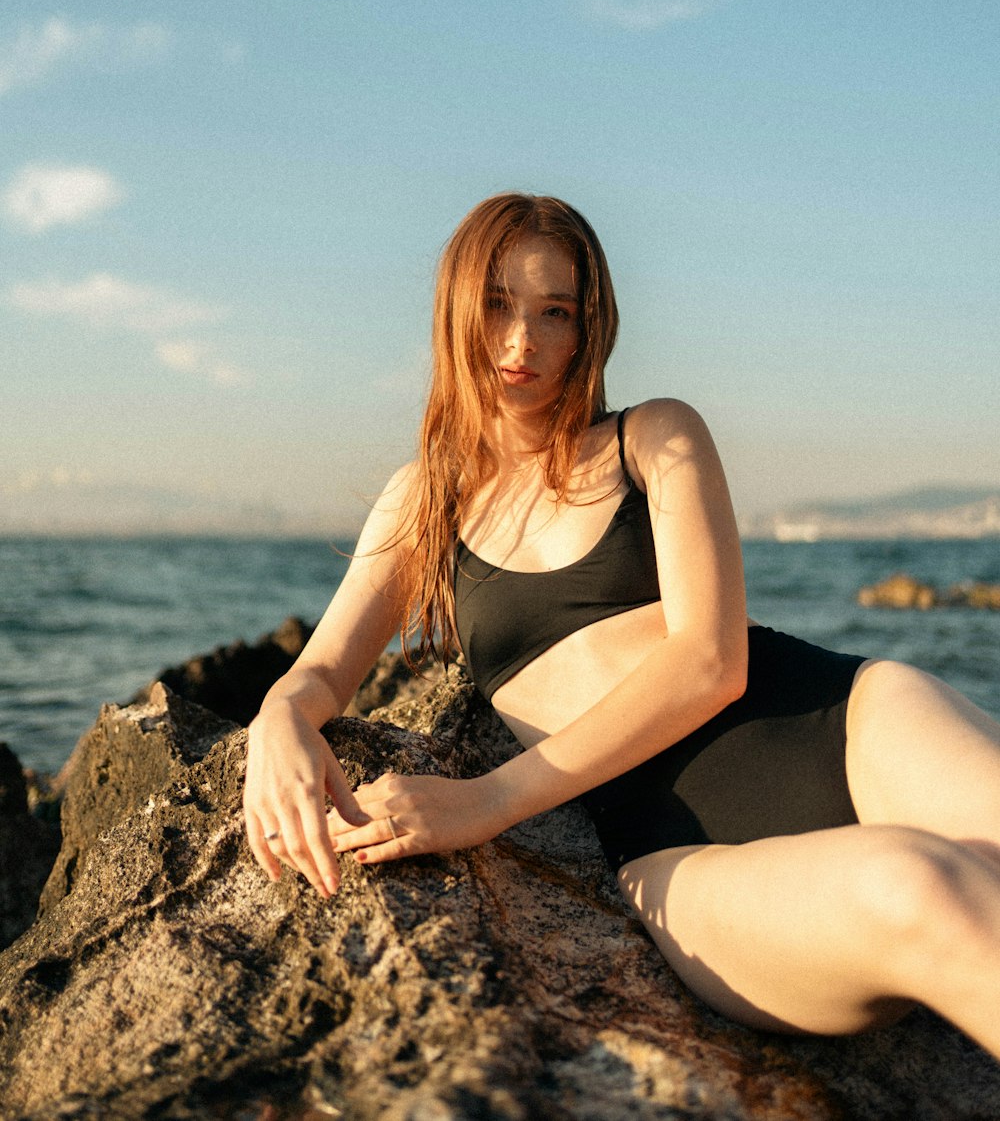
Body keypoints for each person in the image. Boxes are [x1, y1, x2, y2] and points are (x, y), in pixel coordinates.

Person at [243, 192, 1000, 1058]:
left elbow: (713, 661)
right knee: (920, 884)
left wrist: (485, 803)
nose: (522, 340)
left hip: (846, 721)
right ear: (454, 309)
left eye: (553, 311)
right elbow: (323, 671)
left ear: (588, 326)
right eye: (496, 305)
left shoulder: (655, 437)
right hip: (676, 846)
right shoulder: (424, 501)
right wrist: (279, 722)